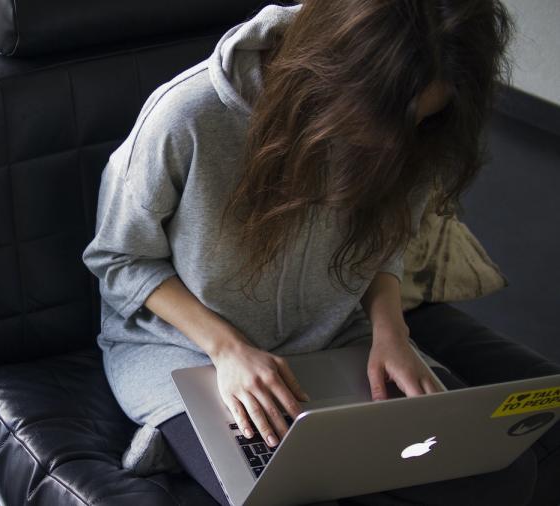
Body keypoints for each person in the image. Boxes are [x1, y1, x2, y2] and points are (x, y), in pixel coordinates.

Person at [82, 1, 559, 504]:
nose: (394, 146)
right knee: (283, 489)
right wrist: (229, 349)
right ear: (333, 72)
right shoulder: (187, 116)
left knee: (500, 476)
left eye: (420, 121)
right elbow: (118, 258)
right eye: (382, 122)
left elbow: (386, 240)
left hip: (334, 337)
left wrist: (391, 330)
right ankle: (178, 433)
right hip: (187, 349)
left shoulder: (418, 129)